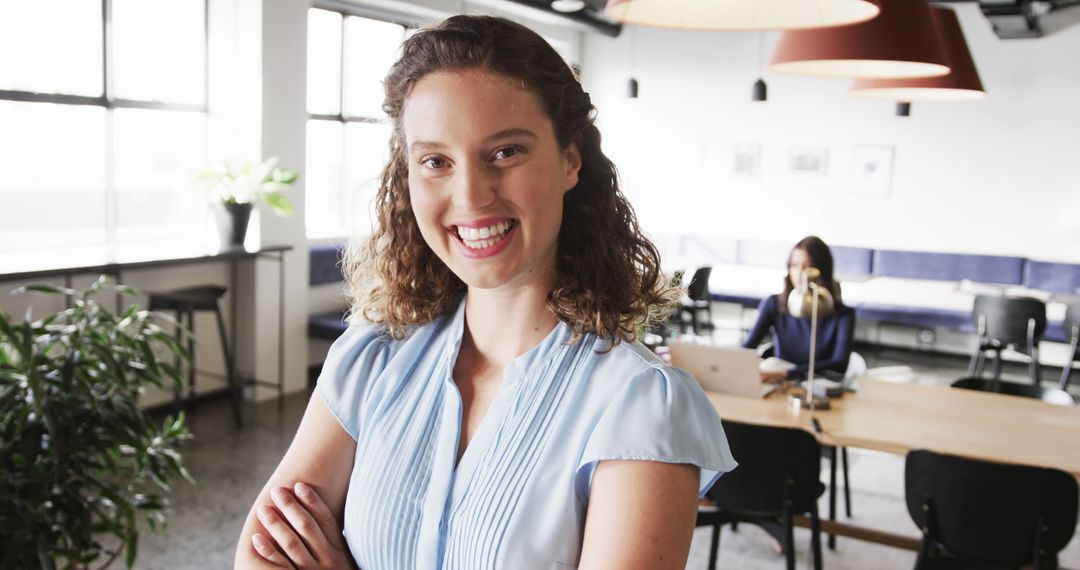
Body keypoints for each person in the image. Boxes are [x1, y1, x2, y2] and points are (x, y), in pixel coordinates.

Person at [235, 15, 734, 569]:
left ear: (570, 159)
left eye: (505, 152)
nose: (470, 196)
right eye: (435, 161)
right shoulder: (372, 358)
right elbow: (260, 557)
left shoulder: (642, 408)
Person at [743, 236, 855, 383]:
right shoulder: (773, 303)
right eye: (794, 265)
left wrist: (787, 373)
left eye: (807, 266)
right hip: (779, 385)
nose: (799, 273)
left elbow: (839, 364)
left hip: (817, 385)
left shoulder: (843, 315)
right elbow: (746, 348)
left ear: (822, 270)